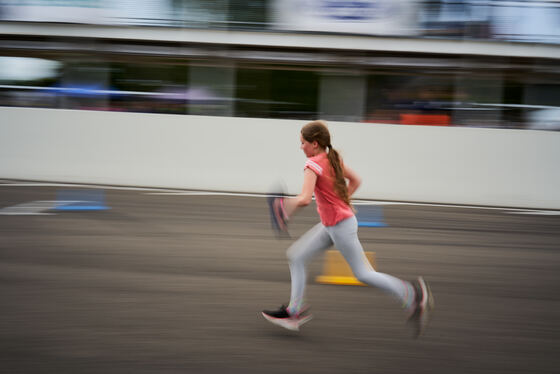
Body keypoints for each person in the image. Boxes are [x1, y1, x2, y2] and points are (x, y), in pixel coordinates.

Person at [262, 120, 434, 337]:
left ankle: (411, 295)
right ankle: (295, 311)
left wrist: (284, 208)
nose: (301, 147)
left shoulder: (312, 165)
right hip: (333, 225)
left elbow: (305, 199)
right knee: (296, 256)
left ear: (314, 144)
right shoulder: (332, 159)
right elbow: (356, 180)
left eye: (303, 142)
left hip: (340, 227)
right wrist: (341, 202)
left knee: (363, 273)